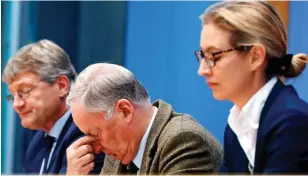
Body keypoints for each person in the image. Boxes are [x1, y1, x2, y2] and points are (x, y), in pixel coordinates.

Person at [195, 1, 308, 174]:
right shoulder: (236, 126)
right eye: (203, 55)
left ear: (255, 57)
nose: (202, 70)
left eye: (214, 55)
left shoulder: (291, 122)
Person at [65, 63, 223, 174]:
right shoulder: (120, 148)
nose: (96, 148)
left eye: (96, 133)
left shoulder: (184, 141)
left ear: (125, 111)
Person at [2, 39, 104, 174]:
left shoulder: (86, 132)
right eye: (12, 96)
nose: (16, 104)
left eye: (25, 91)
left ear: (61, 86)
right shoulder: (36, 143)